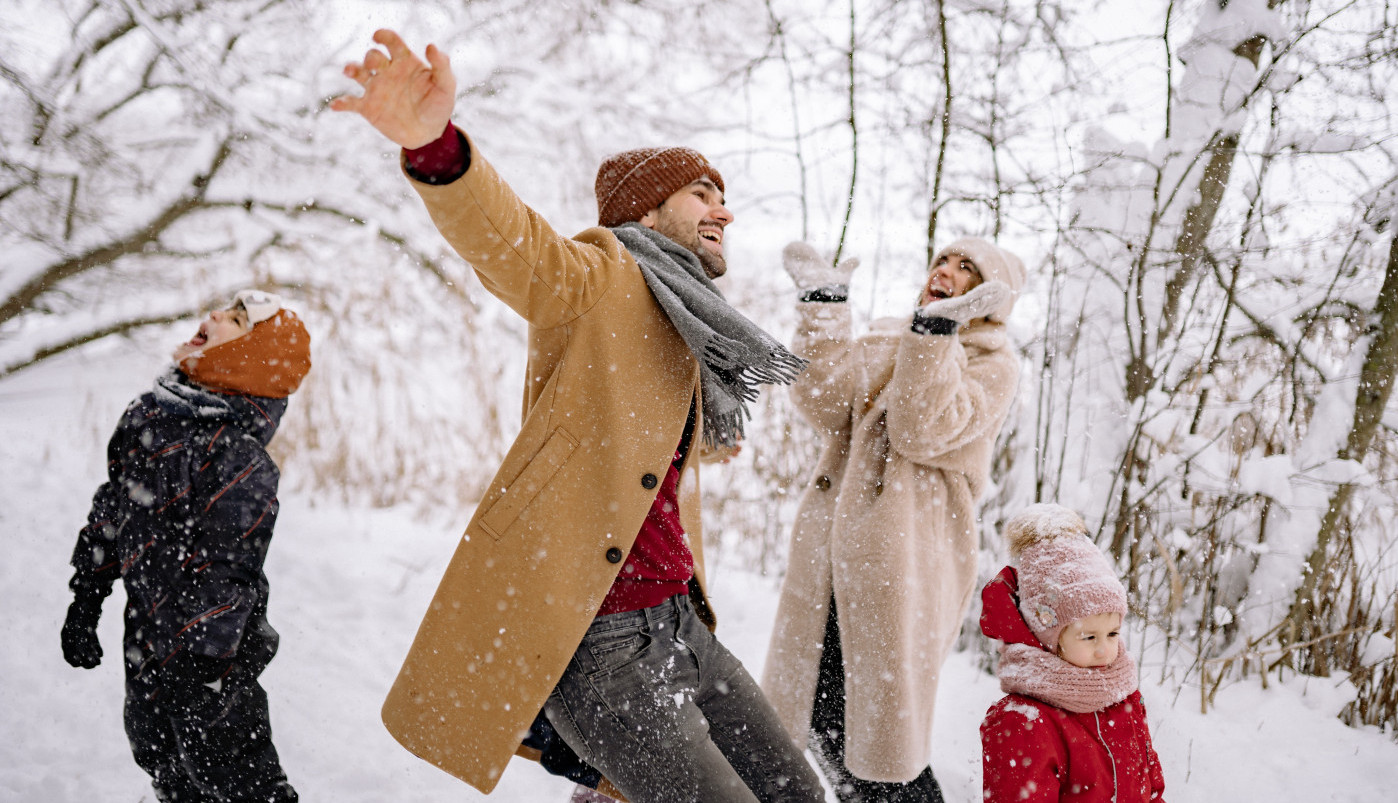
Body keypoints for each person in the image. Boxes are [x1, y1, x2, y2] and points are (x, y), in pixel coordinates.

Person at [330, 30, 824, 803]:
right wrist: (437, 148)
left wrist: (692, 446)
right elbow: (517, 248)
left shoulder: (689, 318)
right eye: (701, 193)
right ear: (646, 209)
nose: (723, 210)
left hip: (682, 623)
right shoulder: (602, 274)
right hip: (606, 640)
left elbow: (632, 445)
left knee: (799, 792)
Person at [761, 237, 1025, 801]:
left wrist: (936, 336)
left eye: (967, 269)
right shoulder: (893, 334)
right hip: (832, 557)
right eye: (942, 260)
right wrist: (824, 309)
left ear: (992, 297)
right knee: (820, 714)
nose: (945, 272)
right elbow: (824, 401)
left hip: (904, 561)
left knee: (880, 738)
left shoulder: (993, 365)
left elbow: (918, 429)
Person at [60, 290, 311, 802]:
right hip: (148, 630)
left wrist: (202, 664)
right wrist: (87, 593)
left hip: (214, 651)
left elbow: (228, 568)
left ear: (247, 357)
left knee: (233, 770)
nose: (215, 314)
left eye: (236, 319)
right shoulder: (149, 416)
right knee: (157, 748)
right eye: (224, 308)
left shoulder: (237, 457)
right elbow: (115, 505)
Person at [978, 504, 1167, 802]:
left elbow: (1151, 789)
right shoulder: (1025, 721)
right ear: (1049, 638)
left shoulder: (1123, 699)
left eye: (1112, 634)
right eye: (1089, 637)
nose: (1104, 650)